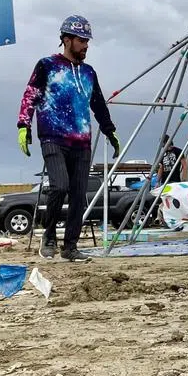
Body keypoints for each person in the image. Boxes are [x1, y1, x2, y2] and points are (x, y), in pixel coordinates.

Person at [17, 14, 120, 261]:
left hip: (81, 141)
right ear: (66, 39)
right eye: (81, 40)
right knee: (60, 185)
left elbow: (98, 104)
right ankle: (49, 235)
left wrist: (109, 130)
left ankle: (70, 247)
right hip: (53, 136)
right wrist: (24, 125)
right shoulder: (47, 65)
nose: (85, 45)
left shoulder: (89, 72)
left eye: (87, 41)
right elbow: (30, 95)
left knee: (78, 194)